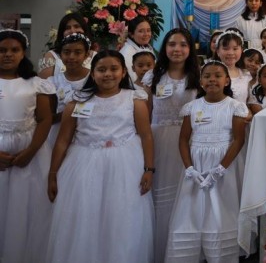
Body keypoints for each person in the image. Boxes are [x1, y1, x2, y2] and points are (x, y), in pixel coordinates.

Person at [47, 50, 154, 263]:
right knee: (85, 217)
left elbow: (146, 136)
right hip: (83, 165)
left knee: (121, 218)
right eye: (101, 69)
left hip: (124, 166)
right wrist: (52, 173)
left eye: (114, 69)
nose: (108, 74)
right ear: (93, 73)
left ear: (124, 72)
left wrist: (149, 169)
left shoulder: (134, 99)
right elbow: (62, 140)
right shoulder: (76, 101)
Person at [164, 60, 247, 262]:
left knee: (221, 209)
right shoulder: (191, 107)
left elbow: (239, 140)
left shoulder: (235, 107)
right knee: (192, 209)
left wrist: (220, 169)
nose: (212, 80)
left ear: (227, 80)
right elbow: (183, 139)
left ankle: (221, 254)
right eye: (207, 76)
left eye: (218, 75)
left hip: (224, 165)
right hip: (197, 166)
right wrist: (189, 168)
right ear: (201, 81)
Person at [140, 28, 201, 263]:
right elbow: (145, 112)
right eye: (172, 44)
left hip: (188, 141)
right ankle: (158, 250)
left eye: (183, 44)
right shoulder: (153, 76)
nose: (177, 49)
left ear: (190, 49)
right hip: (158, 139)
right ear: (164, 48)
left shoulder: (197, 76)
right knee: (159, 196)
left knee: (185, 196)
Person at [0, 29, 55, 262]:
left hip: (30, 150)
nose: (8, 54)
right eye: (2, 50)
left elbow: (45, 119)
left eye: (14, 50)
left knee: (25, 208)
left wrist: (31, 151)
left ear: (23, 53)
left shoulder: (35, 84)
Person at [40, 33, 91, 148]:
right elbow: (47, 117)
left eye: (78, 52)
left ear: (86, 54)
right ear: (60, 55)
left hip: (86, 134)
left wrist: (72, 111)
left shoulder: (94, 78)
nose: (71, 57)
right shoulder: (52, 82)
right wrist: (67, 114)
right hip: (58, 133)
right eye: (67, 52)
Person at [215, 29, 251, 105]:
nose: (231, 53)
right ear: (218, 51)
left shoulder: (246, 75)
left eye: (235, 49)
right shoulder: (210, 74)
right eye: (226, 49)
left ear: (241, 50)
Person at [119, 16, 155, 82]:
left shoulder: (147, 47)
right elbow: (131, 80)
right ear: (131, 34)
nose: (146, 34)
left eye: (148, 30)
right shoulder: (127, 52)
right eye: (141, 31)